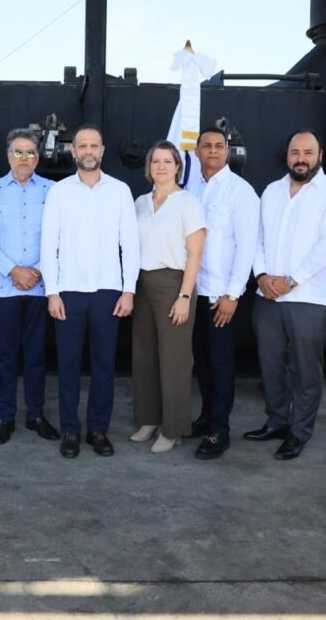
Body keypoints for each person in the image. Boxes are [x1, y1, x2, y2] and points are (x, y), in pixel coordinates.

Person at [246, 129, 326, 460]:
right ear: (287, 156)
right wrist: (262, 276)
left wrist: (292, 281)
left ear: (320, 156)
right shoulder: (272, 191)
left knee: (306, 370)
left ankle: (299, 432)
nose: (301, 158)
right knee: (270, 364)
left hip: (310, 297)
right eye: (295, 152)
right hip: (268, 295)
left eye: (308, 152)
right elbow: (257, 237)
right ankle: (277, 421)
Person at [40, 124, 140, 459]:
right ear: (73, 151)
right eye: (82, 145)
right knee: (68, 365)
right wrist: (52, 292)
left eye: (93, 145)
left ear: (102, 150)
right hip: (68, 291)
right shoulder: (59, 192)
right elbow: (48, 244)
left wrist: (129, 290)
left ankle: (98, 429)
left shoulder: (120, 191)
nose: (88, 151)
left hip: (108, 292)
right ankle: (70, 429)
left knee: (104, 365)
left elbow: (130, 244)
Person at [0, 129, 59, 445]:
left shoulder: (53, 191)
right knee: (6, 355)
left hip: (40, 286)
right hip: (3, 286)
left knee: (36, 355)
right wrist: (13, 270)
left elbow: (59, 235)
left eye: (30, 152)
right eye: (18, 152)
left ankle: (35, 415)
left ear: (37, 158)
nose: (24, 158)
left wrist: (36, 271)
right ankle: (5, 416)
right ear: (8, 156)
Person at [184, 126, 259, 460]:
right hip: (194, 292)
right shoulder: (191, 188)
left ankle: (219, 430)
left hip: (220, 296)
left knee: (220, 363)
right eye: (206, 145)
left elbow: (247, 246)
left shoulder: (240, 191)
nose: (212, 150)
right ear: (197, 151)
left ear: (227, 151)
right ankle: (206, 417)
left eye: (219, 145)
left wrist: (233, 295)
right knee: (201, 360)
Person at [130, 141, 206, 454]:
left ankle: (173, 429)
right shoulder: (140, 202)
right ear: (149, 167)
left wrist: (184, 296)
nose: (161, 166)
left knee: (174, 359)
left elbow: (196, 253)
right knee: (144, 355)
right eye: (155, 161)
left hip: (173, 283)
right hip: (142, 283)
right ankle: (149, 419)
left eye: (167, 161)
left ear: (178, 167)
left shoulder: (188, 202)